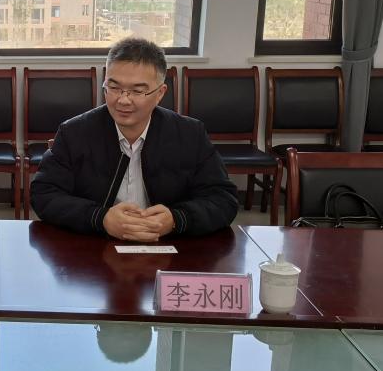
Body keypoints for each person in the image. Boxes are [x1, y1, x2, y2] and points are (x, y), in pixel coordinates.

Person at [31, 37, 237, 239]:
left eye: (137, 91)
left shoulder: (190, 134)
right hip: (95, 242)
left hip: (168, 243)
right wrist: (100, 218)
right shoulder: (74, 133)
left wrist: (176, 219)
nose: (123, 100)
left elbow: (223, 199)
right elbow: (44, 194)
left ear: (160, 93)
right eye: (114, 87)